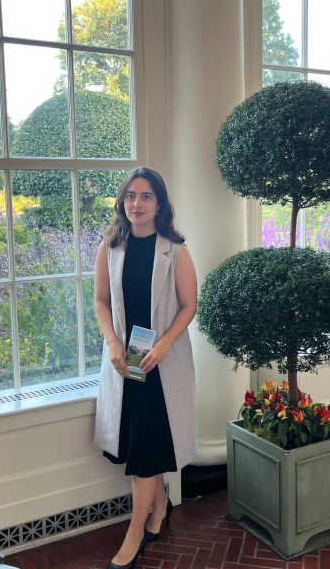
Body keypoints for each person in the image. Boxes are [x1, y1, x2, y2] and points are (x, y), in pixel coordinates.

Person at [94, 167, 197, 569]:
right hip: (125, 361)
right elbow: (101, 302)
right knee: (140, 445)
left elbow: (189, 306)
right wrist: (113, 343)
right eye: (131, 196)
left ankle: (134, 535)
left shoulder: (176, 250)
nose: (137, 204)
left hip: (159, 365)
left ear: (159, 203)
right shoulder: (109, 246)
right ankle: (159, 507)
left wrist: (164, 344)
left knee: (147, 451)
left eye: (146, 196)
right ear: (122, 202)